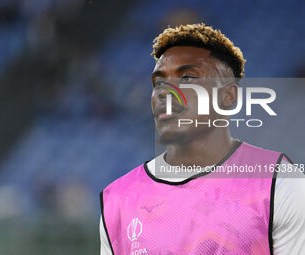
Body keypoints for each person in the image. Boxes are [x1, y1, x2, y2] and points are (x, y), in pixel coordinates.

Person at [99, 23, 305, 254]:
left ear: (228, 96)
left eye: (187, 78)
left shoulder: (279, 181)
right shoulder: (119, 199)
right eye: (159, 82)